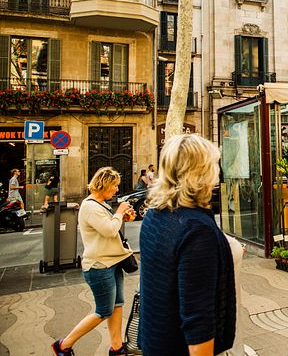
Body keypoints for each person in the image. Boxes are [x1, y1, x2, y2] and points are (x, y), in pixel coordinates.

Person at [139, 134, 236, 356]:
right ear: (201, 172)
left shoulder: (155, 215)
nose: (217, 171)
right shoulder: (196, 230)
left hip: (156, 340)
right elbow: (198, 319)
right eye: (213, 164)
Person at [51, 167, 135, 356]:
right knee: (104, 310)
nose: (115, 190)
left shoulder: (101, 204)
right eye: (114, 186)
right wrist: (120, 212)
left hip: (113, 262)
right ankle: (63, 345)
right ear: (104, 184)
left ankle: (116, 347)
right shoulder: (90, 206)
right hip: (99, 266)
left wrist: (123, 217)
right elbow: (109, 230)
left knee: (117, 305)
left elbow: (109, 226)